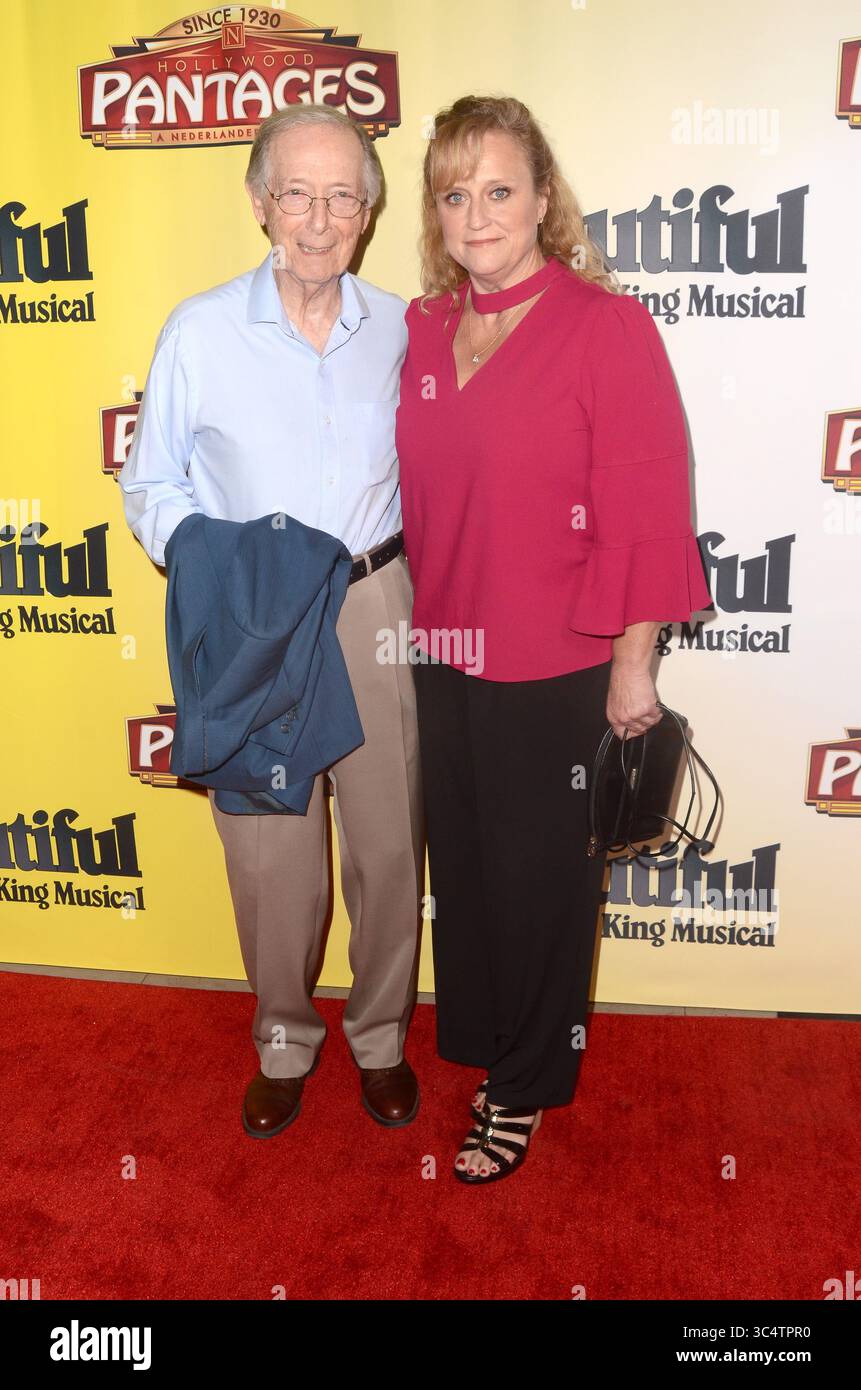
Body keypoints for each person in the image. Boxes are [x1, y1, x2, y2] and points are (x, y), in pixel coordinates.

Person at [395, 95, 713, 1184]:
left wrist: (635, 665)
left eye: (498, 190)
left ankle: (525, 1086)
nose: (476, 214)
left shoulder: (603, 327)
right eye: (454, 194)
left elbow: (647, 507)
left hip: (559, 661)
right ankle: (484, 1042)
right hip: (443, 651)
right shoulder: (424, 329)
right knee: (472, 872)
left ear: (542, 199)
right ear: (433, 213)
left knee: (539, 881)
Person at [118, 104, 424, 1138]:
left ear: (370, 212)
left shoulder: (401, 328)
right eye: (297, 191)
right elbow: (150, 483)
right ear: (259, 203)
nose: (320, 216)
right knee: (269, 852)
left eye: (344, 195)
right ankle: (284, 1038)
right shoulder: (198, 331)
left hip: (374, 601)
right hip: (252, 613)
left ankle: (380, 1036)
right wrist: (218, 572)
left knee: (388, 848)